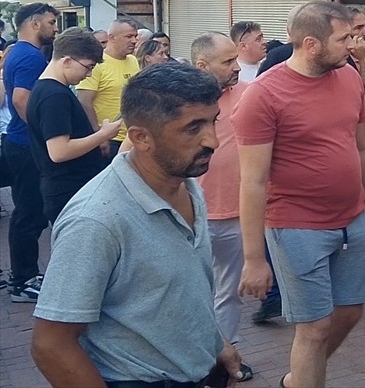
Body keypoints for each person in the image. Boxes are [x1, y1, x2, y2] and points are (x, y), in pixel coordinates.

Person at [30, 63, 244, 387]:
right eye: (192, 128)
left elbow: (179, 290)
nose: (213, 140)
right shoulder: (95, 220)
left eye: (212, 121)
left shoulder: (186, 183)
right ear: (141, 137)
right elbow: (50, 345)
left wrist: (215, 343)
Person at [235, 1, 365, 388]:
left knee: (350, 312)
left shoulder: (349, 76)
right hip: (296, 226)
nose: (353, 44)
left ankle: (297, 378)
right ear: (311, 44)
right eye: (343, 38)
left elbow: (363, 147)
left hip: (352, 219)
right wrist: (254, 258)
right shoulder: (264, 95)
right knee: (314, 329)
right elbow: (252, 181)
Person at [193, 31, 255, 382]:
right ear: (202, 65)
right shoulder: (177, 99)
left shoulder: (248, 94)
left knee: (229, 292)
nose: (237, 67)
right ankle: (194, 358)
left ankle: (223, 360)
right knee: (191, 291)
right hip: (190, 215)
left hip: (236, 213)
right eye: (228, 61)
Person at [27, 29, 121, 225]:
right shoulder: (54, 96)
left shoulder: (49, 89)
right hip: (68, 189)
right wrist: (103, 135)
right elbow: (59, 151)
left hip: (67, 186)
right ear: (67, 61)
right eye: (88, 67)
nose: (89, 74)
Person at [4, 2, 59, 303]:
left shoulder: (20, 52)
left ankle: (24, 277)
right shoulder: (29, 56)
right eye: (51, 22)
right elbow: (21, 99)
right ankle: (23, 282)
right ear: (34, 23)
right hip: (26, 146)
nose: (54, 28)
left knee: (28, 213)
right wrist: (42, 135)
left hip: (20, 143)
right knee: (28, 214)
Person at [77, 18, 140, 163]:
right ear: (112, 37)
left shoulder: (133, 61)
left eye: (135, 36)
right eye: (129, 36)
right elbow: (84, 102)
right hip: (110, 138)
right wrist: (99, 135)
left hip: (131, 137)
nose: (134, 41)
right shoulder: (97, 63)